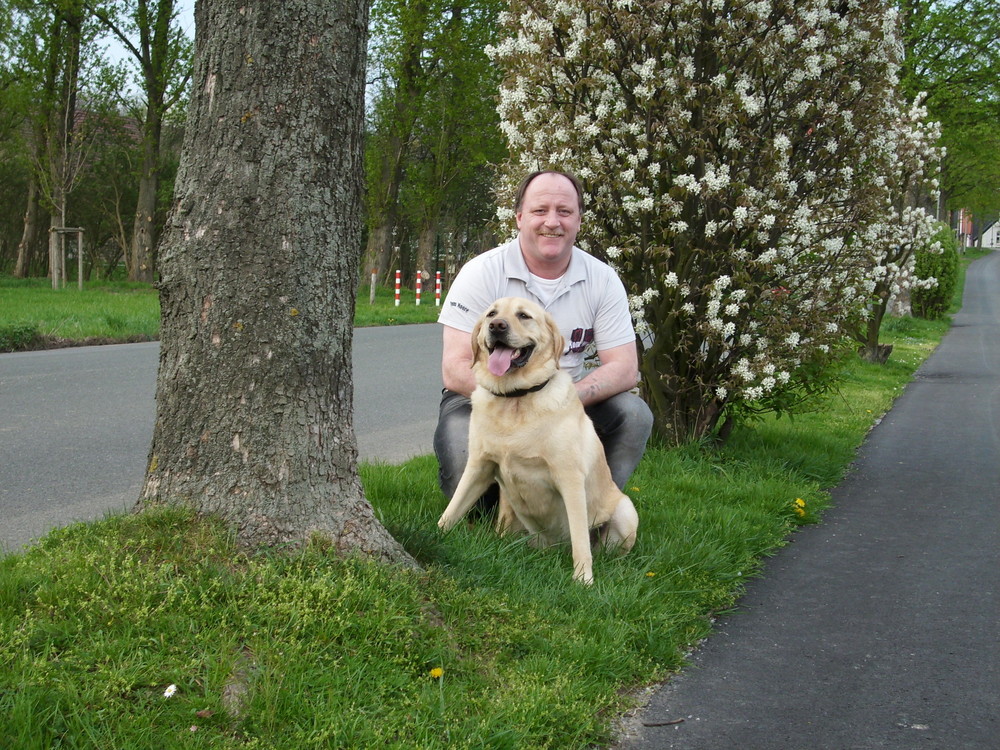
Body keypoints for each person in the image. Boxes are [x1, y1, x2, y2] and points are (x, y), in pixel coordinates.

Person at [434, 169, 653, 506]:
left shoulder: (602, 279)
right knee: (467, 486)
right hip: (483, 399)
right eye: (540, 211)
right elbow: (455, 368)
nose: (552, 222)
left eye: (564, 211)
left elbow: (624, 368)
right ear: (520, 218)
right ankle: (495, 525)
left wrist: (559, 403)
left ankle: (596, 509)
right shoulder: (481, 272)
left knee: (634, 413)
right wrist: (516, 404)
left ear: (579, 220)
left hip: (565, 403)